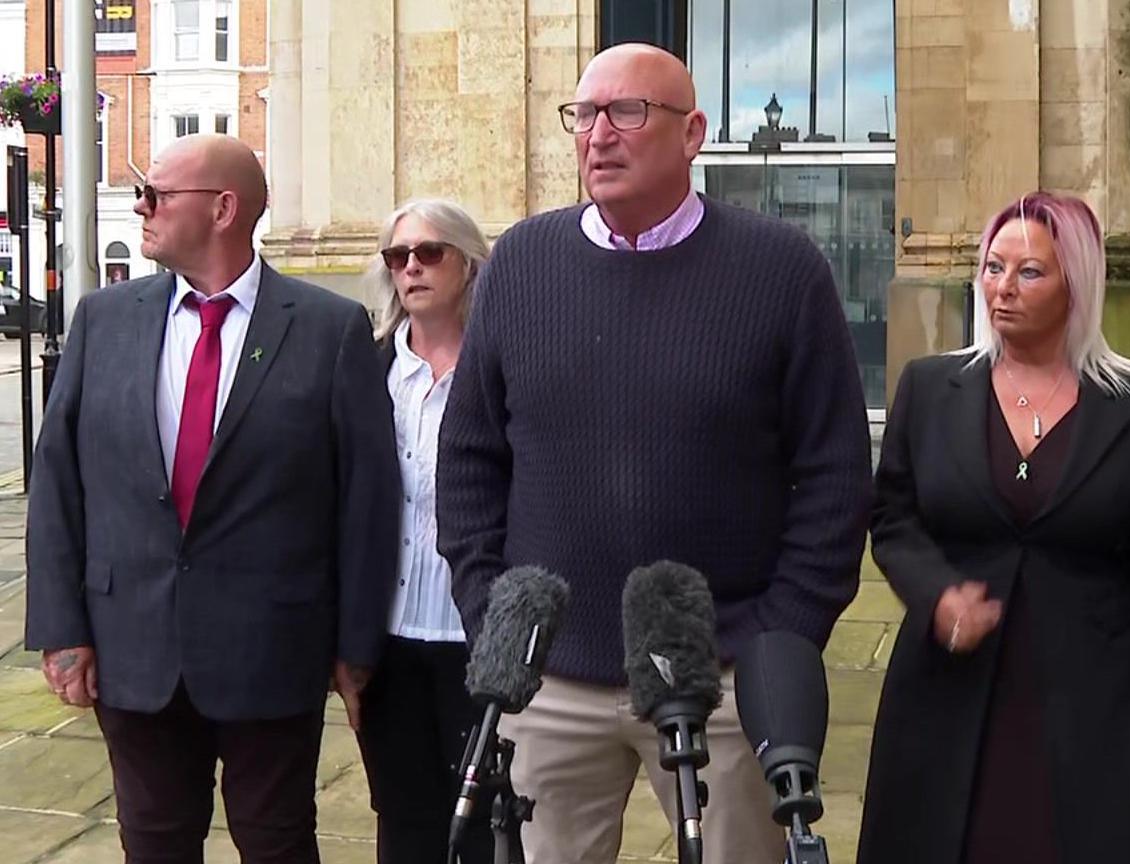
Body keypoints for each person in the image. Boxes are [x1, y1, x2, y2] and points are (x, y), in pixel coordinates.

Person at [436, 42, 873, 864]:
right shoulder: (520, 264)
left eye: (627, 111)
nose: (598, 134)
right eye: (583, 114)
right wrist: (497, 620)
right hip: (551, 684)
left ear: (693, 131)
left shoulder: (782, 270)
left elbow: (834, 474)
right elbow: (468, 460)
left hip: (724, 681)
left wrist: (783, 634)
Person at [24, 134, 400, 863]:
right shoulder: (104, 320)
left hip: (273, 650)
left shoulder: (328, 329)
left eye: (158, 194)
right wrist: (62, 626)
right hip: (133, 646)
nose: (142, 206)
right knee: (155, 843)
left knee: (278, 840)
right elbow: (59, 482)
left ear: (224, 208)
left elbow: (366, 502)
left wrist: (358, 647)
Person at [856, 192, 1130, 864]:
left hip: (1089, 698)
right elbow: (892, 516)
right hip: (947, 691)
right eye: (994, 267)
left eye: (1029, 272)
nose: (1002, 288)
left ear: (1078, 284)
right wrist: (937, 592)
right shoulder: (928, 388)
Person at [355, 199, 493, 863]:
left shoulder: (502, 365)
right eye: (397, 256)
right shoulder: (369, 366)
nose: (411, 267)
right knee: (404, 818)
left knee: (487, 825)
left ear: (468, 264)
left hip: (475, 636)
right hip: (388, 640)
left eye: (429, 252)